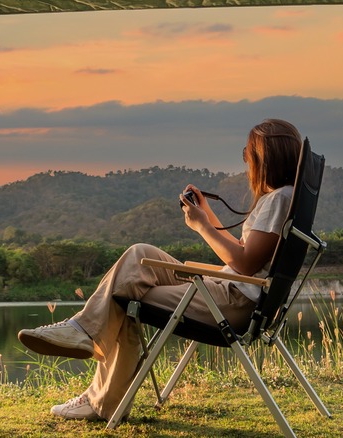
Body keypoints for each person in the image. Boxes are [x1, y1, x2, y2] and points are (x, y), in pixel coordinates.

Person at [17, 118, 303, 422]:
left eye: (247, 154)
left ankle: (99, 393)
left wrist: (202, 227)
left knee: (127, 295)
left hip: (231, 300)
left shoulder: (278, 199)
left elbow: (246, 263)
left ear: (265, 157)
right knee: (140, 254)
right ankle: (83, 336)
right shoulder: (285, 197)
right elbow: (245, 256)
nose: (246, 161)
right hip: (227, 290)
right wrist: (207, 216)